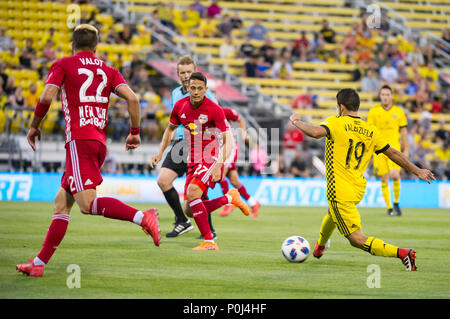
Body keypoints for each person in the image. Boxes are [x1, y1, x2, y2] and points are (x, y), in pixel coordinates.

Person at [16, 24, 161, 277]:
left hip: (79, 141)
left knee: (87, 204)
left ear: (73, 45)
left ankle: (142, 217)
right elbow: (133, 99)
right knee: (62, 204)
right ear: (96, 47)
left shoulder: (63, 64)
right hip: (97, 141)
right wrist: (135, 132)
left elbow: (47, 97)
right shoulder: (109, 70)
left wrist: (34, 126)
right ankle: (38, 264)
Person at [289, 88, 435, 271]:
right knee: (331, 213)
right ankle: (319, 247)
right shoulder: (370, 130)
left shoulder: (336, 122)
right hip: (357, 188)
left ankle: (403, 253)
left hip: (339, 191)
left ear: (341, 107)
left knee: (357, 240)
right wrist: (417, 171)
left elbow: (317, 132)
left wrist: (297, 122)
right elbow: (393, 153)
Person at [150, 72, 250, 251]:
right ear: (188, 88)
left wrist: (219, 164)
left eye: (199, 88)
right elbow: (169, 130)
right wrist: (159, 153)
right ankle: (229, 198)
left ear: (206, 90)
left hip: (210, 156)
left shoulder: (214, 109)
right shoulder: (180, 106)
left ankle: (209, 241)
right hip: (192, 160)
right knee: (190, 209)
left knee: (192, 191)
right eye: (193, 88)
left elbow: (229, 141)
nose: (196, 92)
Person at [155, 56, 220, 239]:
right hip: (181, 144)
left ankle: (209, 229)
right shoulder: (176, 93)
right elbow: (173, 123)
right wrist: (160, 151)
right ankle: (182, 220)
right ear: (178, 74)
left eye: (189, 72)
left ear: (195, 71)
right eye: (182, 73)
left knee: (195, 194)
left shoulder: (207, 95)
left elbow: (217, 120)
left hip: (201, 144)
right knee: (163, 180)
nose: (185, 76)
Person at [368, 85, 409, 216]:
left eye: (387, 94)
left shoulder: (399, 112)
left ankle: (396, 203)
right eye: (383, 95)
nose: (385, 97)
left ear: (391, 96)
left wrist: (406, 149)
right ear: (380, 96)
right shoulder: (373, 112)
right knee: (384, 179)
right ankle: (389, 207)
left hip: (395, 149)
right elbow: (370, 133)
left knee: (395, 175)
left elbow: (404, 132)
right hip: (379, 150)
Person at [218, 107, 260, 218]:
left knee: (219, 174)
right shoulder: (204, 113)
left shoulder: (224, 111)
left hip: (229, 147)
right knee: (234, 181)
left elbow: (240, 118)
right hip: (218, 148)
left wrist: (243, 132)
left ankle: (228, 203)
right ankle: (253, 203)